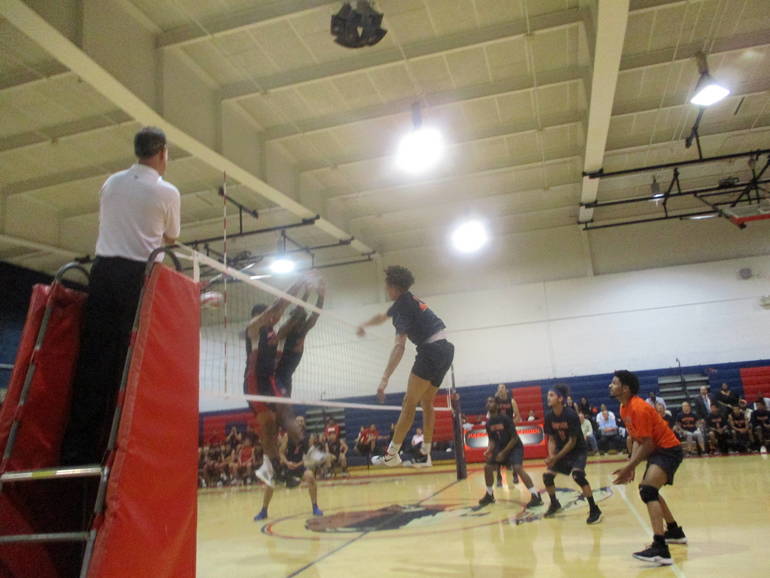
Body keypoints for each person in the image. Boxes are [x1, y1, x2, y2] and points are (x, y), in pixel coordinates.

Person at [61, 127, 180, 466]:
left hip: (102, 275)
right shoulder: (167, 192)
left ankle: (77, 452)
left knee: (92, 363)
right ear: (162, 153)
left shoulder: (111, 183)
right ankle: (120, 453)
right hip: (136, 280)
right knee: (129, 365)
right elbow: (171, 237)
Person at [357, 266, 454, 468]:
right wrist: (364, 324)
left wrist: (384, 379)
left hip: (431, 351)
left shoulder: (402, 308)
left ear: (393, 287)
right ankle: (426, 455)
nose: (385, 289)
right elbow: (383, 317)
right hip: (445, 349)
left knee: (409, 403)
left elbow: (399, 347)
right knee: (427, 402)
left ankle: (392, 455)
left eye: (386, 285)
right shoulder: (408, 299)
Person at [610, 370, 686, 567]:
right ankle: (674, 532)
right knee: (650, 489)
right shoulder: (623, 408)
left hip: (668, 450)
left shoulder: (639, 408)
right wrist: (632, 465)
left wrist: (628, 466)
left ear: (625, 388)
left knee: (648, 490)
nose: (611, 385)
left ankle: (660, 548)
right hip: (657, 451)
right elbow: (637, 439)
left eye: (614, 383)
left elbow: (649, 444)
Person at [244, 277, 307, 488]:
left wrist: (304, 298)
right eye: (269, 316)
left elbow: (286, 319)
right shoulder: (253, 328)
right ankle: (276, 469)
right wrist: (299, 283)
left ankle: (291, 459)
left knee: (282, 417)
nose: (274, 317)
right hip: (254, 382)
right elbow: (278, 305)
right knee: (268, 424)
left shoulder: (272, 331)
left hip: (269, 381)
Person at [542, 384, 602, 524]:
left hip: (577, 450)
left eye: (551, 395)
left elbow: (572, 441)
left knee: (578, 476)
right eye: (548, 395)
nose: (548, 398)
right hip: (561, 451)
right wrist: (551, 456)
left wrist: (556, 457)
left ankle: (594, 509)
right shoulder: (549, 416)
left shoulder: (570, 414)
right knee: (547, 478)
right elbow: (551, 439)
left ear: (560, 398)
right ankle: (554, 503)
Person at [478, 397, 542, 508]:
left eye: (491, 401)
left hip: (514, 447)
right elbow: (492, 440)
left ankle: (535, 495)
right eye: (487, 402)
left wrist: (504, 453)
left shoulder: (505, 419)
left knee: (517, 468)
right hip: (500, 448)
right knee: (487, 467)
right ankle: (489, 495)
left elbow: (514, 438)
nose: (489, 403)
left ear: (497, 406)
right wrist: (489, 450)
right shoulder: (488, 423)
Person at [255, 416, 323, 520]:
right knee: (270, 483)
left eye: (301, 421)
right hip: (286, 466)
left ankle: (315, 507)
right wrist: (287, 462)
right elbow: (281, 453)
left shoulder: (308, 437)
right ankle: (263, 511)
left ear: (304, 424)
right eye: (297, 421)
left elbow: (309, 456)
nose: (300, 423)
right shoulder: (287, 436)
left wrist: (299, 464)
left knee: (311, 478)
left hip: (299, 466)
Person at [493, 384, 519, 486]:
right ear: (497, 391)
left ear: (506, 390)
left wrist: (511, 425)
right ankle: (499, 478)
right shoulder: (495, 401)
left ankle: (515, 475)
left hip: (509, 430)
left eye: (502, 388)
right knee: (497, 452)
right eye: (499, 388)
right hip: (499, 430)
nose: (501, 389)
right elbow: (491, 415)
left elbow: (517, 416)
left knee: (512, 452)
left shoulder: (511, 401)